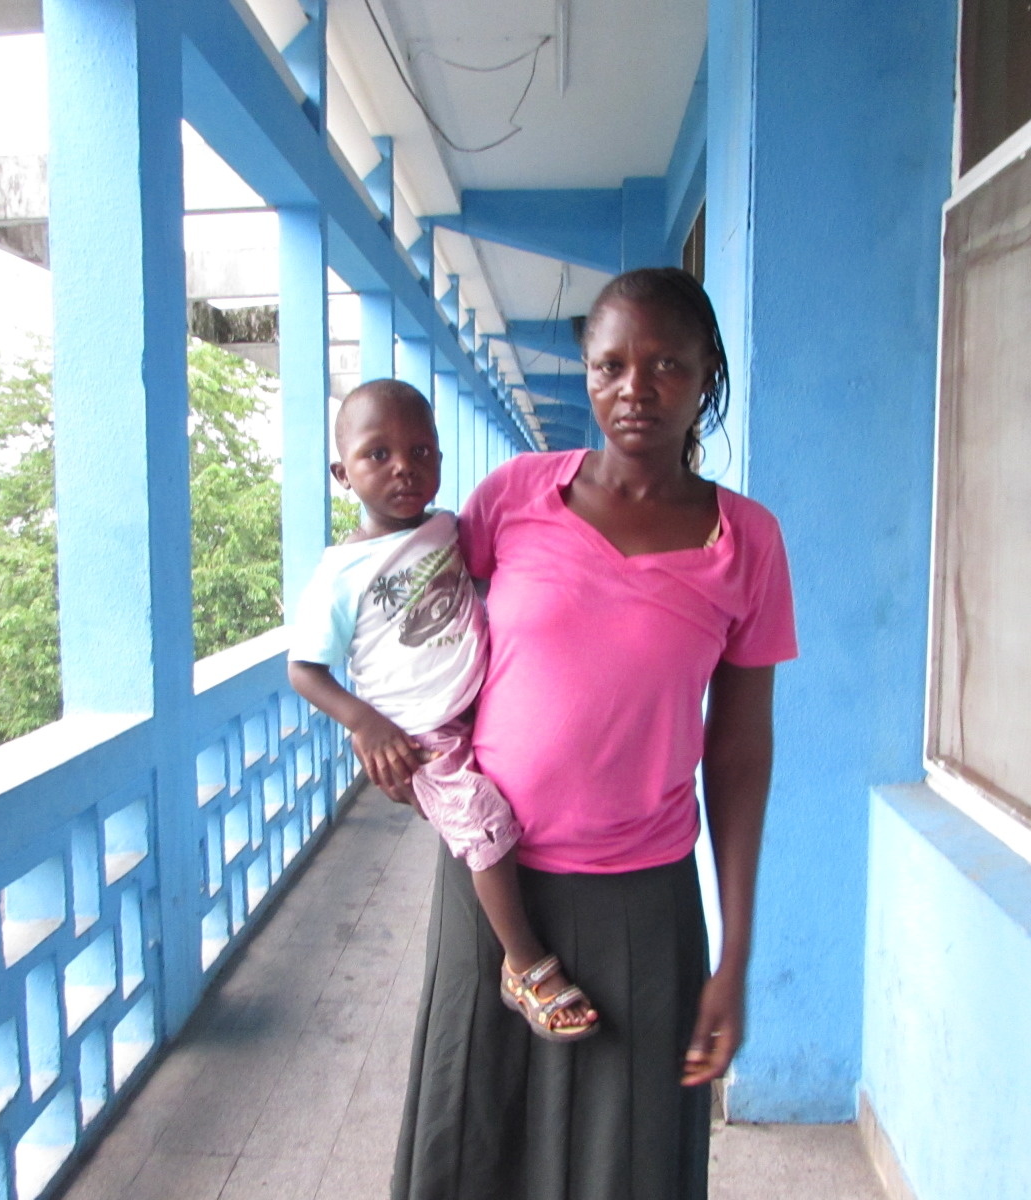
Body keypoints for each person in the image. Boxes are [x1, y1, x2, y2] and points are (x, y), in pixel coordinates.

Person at [390, 269, 798, 1200]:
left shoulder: (747, 542)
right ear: (584, 373)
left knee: (625, 1166)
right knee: (471, 1145)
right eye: (610, 365)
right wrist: (385, 734)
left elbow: (739, 756)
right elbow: (412, 623)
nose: (634, 388)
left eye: (664, 365)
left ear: (707, 376)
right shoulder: (515, 498)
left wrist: (734, 954)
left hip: (642, 905)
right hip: (492, 893)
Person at [287, 379, 599, 1042]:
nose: (404, 466)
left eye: (421, 450)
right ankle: (523, 960)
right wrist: (365, 724)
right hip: (421, 733)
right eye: (378, 455)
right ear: (343, 473)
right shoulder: (339, 575)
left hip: (485, 704)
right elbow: (304, 670)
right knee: (483, 825)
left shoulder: (448, 530)